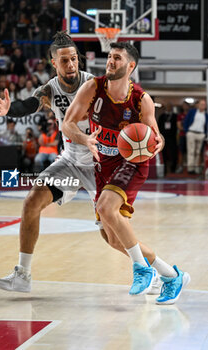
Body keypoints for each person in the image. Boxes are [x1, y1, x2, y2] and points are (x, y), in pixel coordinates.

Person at [0, 32, 159, 295]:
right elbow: (30, 104)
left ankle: (158, 272)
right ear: (53, 63)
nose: (71, 65)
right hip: (70, 161)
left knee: (113, 239)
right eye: (64, 61)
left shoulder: (93, 84)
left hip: (101, 165)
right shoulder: (49, 89)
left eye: (74, 59)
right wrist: (10, 110)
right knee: (32, 201)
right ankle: (22, 274)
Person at [62, 42, 190, 305]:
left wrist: (158, 143)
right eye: (109, 56)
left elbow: (156, 136)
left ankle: (141, 269)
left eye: (117, 58)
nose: (110, 61)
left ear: (130, 66)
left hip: (131, 163)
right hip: (103, 165)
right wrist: (83, 139)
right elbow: (68, 123)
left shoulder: (141, 100)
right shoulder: (93, 88)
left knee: (107, 208)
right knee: (112, 238)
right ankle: (171, 275)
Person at [184, 99, 208, 174]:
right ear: (198, 105)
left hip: (201, 134)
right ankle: (190, 168)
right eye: (201, 104)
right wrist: (186, 130)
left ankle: (196, 168)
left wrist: (205, 133)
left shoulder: (206, 115)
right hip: (191, 132)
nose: (202, 106)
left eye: (204, 105)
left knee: (198, 152)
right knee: (191, 151)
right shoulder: (192, 112)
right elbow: (186, 121)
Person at [158, 103, 178, 175]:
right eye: (168, 107)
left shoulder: (175, 116)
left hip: (172, 137)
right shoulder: (162, 116)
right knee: (164, 154)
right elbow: (159, 126)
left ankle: (173, 168)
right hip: (163, 137)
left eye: (170, 107)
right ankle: (164, 169)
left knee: (174, 153)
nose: (169, 108)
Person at [176, 101, 190, 174]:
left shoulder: (191, 115)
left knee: (190, 152)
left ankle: (189, 167)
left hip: (190, 136)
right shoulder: (180, 115)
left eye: (186, 105)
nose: (185, 107)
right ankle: (180, 167)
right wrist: (186, 129)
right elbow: (179, 126)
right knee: (181, 152)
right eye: (183, 105)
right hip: (182, 135)